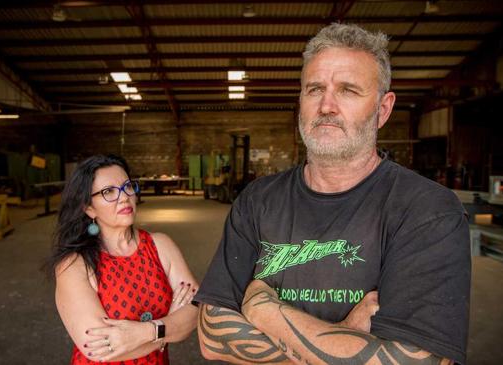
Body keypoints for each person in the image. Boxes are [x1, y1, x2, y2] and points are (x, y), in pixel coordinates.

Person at [195, 23, 470, 365]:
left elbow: (421, 361)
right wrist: (344, 336)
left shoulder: (427, 210)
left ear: (383, 109)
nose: (326, 105)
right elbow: (212, 336)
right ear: (300, 102)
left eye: (348, 90)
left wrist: (264, 310)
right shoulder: (257, 200)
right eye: (314, 89)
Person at [47, 154, 198, 364]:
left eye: (128, 187)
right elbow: (99, 349)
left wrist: (145, 332)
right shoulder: (74, 264)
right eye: (108, 192)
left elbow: (196, 309)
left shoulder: (161, 245)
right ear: (88, 207)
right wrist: (166, 330)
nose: (124, 197)